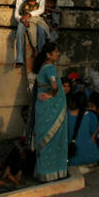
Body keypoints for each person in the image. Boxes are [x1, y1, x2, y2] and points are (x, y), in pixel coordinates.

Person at [30, 42, 69, 182]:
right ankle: (54, 171)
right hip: (53, 110)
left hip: (43, 108)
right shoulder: (50, 68)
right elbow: (54, 86)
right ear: (49, 54)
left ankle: (44, 172)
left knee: (46, 139)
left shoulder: (41, 68)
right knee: (54, 139)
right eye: (56, 51)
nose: (58, 54)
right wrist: (53, 95)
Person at [67, 91, 99, 167]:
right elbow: (93, 137)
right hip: (92, 157)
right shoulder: (91, 116)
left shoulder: (66, 115)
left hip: (72, 159)